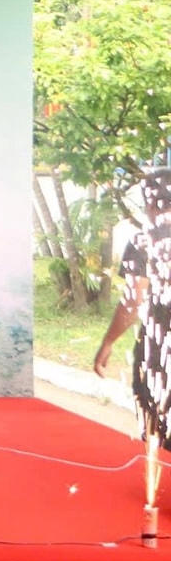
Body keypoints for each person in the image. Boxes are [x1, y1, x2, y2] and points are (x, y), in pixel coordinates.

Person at [93, 170, 171, 445]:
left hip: (160, 345)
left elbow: (133, 299)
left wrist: (108, 342)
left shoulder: (144, 240)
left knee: (157, 416)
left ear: (150, 201)